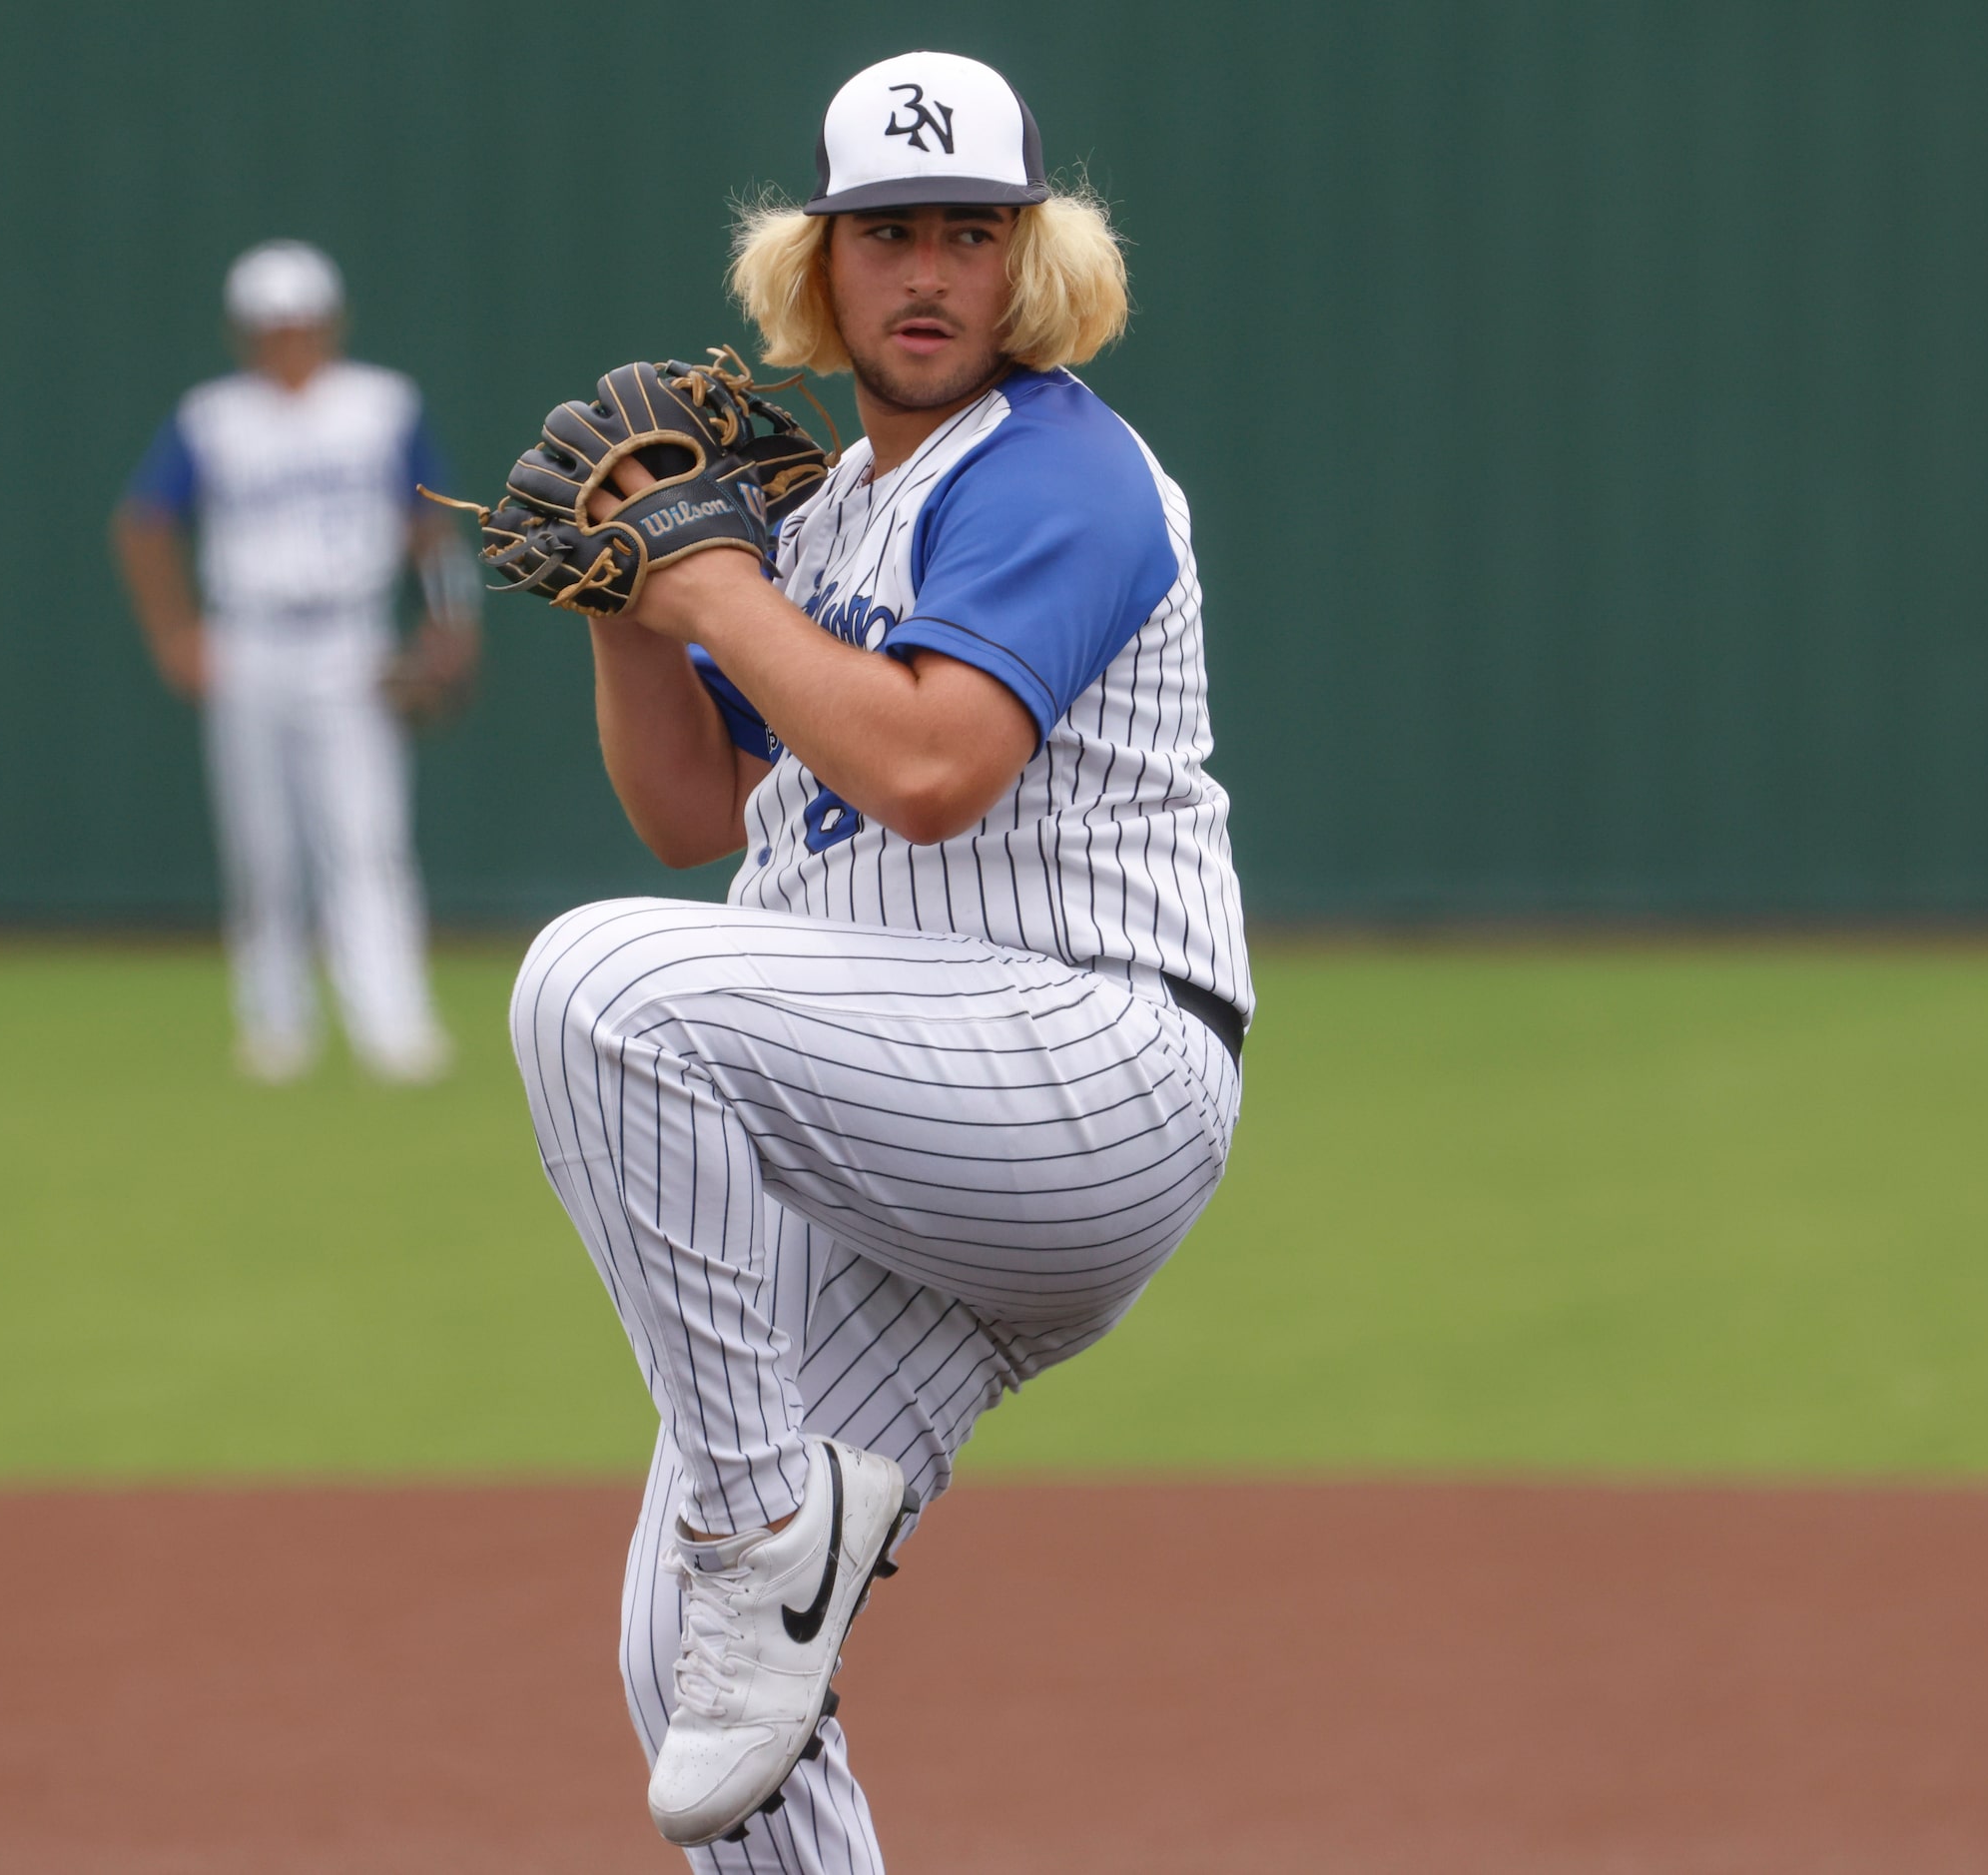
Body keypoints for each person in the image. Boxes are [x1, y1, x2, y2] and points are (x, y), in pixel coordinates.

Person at [507, 50, 1250, 1867]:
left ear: (1032, 262)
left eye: (970, 234)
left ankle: (771, 1528)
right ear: (815, 272)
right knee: (687, 1673)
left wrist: (705, 588)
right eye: (886, 234)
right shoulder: (828, 512)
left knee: (599, 988)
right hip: (903, 1148)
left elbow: (927, 772)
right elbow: (694, 809)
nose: (927, 271)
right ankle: (763, 1559)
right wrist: (631, 612)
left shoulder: (1057, 466)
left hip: (1083, 1068)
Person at [112, 240, 476, 1083]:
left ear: (328, 323)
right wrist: (177, 634)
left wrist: (449, 625)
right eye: (271, 327)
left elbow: (431, 525)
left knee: (367, 838)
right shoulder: (214, 415)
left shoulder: (381, 405)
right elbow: (142, 521)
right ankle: (275, 1026)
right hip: (250, 637)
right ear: (245, 333)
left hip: (351, 635)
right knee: (262, 846)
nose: (288, 341)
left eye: (301, 324)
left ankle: (393, 1022)